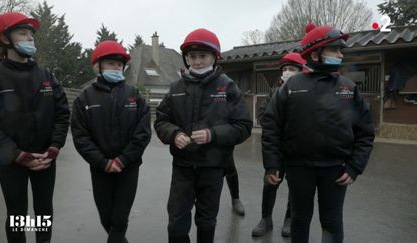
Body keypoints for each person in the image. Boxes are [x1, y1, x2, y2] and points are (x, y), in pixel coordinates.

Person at [261, 23, 375, 243]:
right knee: (300, 219)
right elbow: (272, 126)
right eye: (334, 50)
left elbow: (365, 132)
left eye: (341, 50)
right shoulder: (291, 86)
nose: (340, 55)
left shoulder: (348, 88)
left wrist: (354, 167)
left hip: (336, 170)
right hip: (298, 168)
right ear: (315, 54)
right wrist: (272, 164)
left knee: (332, 222)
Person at [154, 28, 252, 243]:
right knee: (176, 223)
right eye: (192, 57)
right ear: (186, 58)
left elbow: (244, 125)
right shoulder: (176, 87)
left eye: (202, 56)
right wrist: (173, 134)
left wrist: (213, 134)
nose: (197, 61)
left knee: (206, 222)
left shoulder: (227, 86)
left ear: (214, 58)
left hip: (213, 166)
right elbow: (161, 120)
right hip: (183, 166)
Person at [0, 12, 70, 243]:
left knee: (43, 213)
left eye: (31, 34)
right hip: (11, 161)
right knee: (17, 215)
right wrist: (19, 155)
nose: (30, 38)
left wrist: (53, 148)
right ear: (4, 39)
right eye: (22, 33)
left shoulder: (46, 75)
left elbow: (62, 114)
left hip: (45, 159)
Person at [71, 40, 151, 243]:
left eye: (119, 64)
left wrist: (123, 160)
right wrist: (103, 162)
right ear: (98, 66)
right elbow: (81, 136)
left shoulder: (135, 96)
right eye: (110, 63)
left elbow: (142, 133)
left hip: (129, 167)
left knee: (119, 218)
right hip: (100, 168)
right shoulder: (84, 99)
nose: (116, 68)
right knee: (106, 218)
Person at [252, 52, 306, 237]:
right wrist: (276, 125)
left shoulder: (306, 91)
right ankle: (265, 219)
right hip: (276, 148)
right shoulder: (274, 92)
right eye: (284, 69)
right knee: (270, 183)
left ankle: (289, 219)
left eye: (292, 69)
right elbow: (263, 115)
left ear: (301, 71)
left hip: (297, 149)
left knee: (295, 186)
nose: (287, 72)